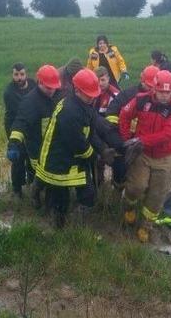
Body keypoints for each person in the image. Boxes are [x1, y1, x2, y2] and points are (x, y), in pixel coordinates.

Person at [35, 69, 115, 227]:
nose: (93, 97)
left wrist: (103, 149)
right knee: (60, 200)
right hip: (58, 161)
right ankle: (57, 227)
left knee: (88, 195)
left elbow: (90, 134)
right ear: (77, 90)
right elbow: (79, 144)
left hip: (73, 159)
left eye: (94, 94)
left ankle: (77, 224)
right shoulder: (69, 111)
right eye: (89, 94)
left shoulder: (85, 105)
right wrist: (96, 157)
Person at [118, 70, 171, 243]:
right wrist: (126, 140)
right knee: (135, 187)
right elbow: (124, 115)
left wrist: (141, 140)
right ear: (154, 88)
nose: (164, 96)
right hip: (143, 154)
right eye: (161, 91)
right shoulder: (140, 100)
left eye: (168, 92)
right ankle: (129, 207)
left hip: (165, 157)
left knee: (157, 195)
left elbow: (167, 134)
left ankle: (145, 226)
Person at [7, 64, 62, 208]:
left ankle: (48, 203)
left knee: (52, 180)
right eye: (48, 88)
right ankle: (35, 196)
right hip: (36, 147)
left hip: (53, 147)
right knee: (39, 175)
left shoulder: (58, 95)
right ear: (40, 83)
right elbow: (20, 123)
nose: (52, 91)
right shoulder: (30, 102)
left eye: (54, 87)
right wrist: (13, 144)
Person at [103, 65, 160, 186]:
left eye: (154, 87)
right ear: (142, 80)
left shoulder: (159, 98)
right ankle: (117, 191)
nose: (152, 90)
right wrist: (119, 139)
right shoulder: (128, 94)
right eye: (149, 86)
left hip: (146, 142)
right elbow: (111, 113)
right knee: (121, 169)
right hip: (125, 139)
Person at [3, 63, 37, 197]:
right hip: (14, 126)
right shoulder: (9, 92)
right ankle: (17, 190)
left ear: (26, 74)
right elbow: (16, 115)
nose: (19, 78)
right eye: (16, 75)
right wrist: (12, 139)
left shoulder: (34, 85)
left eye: (22, 74)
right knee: (18, 159)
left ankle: (32, 185)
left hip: (33, 128)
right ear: (12, 75)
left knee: (32, 158)